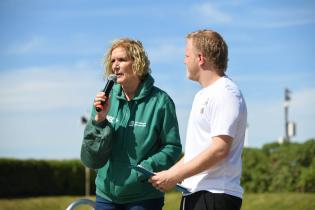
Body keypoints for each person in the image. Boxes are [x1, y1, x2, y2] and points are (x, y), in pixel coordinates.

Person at [149, 29, 247, 210]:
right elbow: (195, 154)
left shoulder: (226, 93)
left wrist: (173, 177)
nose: (184, 61)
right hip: (197, 194)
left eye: (187, 55)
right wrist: (170, 174)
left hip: (215, 195)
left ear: (200, 58)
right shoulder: (203, 95)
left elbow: (219, 149)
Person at [80, 38, 182, 210]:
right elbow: (91, 158)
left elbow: (172, 146)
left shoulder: (161, 102)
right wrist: (99, 120)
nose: (115, 65)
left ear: (137, 63)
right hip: (106, 195)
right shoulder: (105, 100)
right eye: (113, 61)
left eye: (121, 60)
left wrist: (143, 169)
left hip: (143, 197)